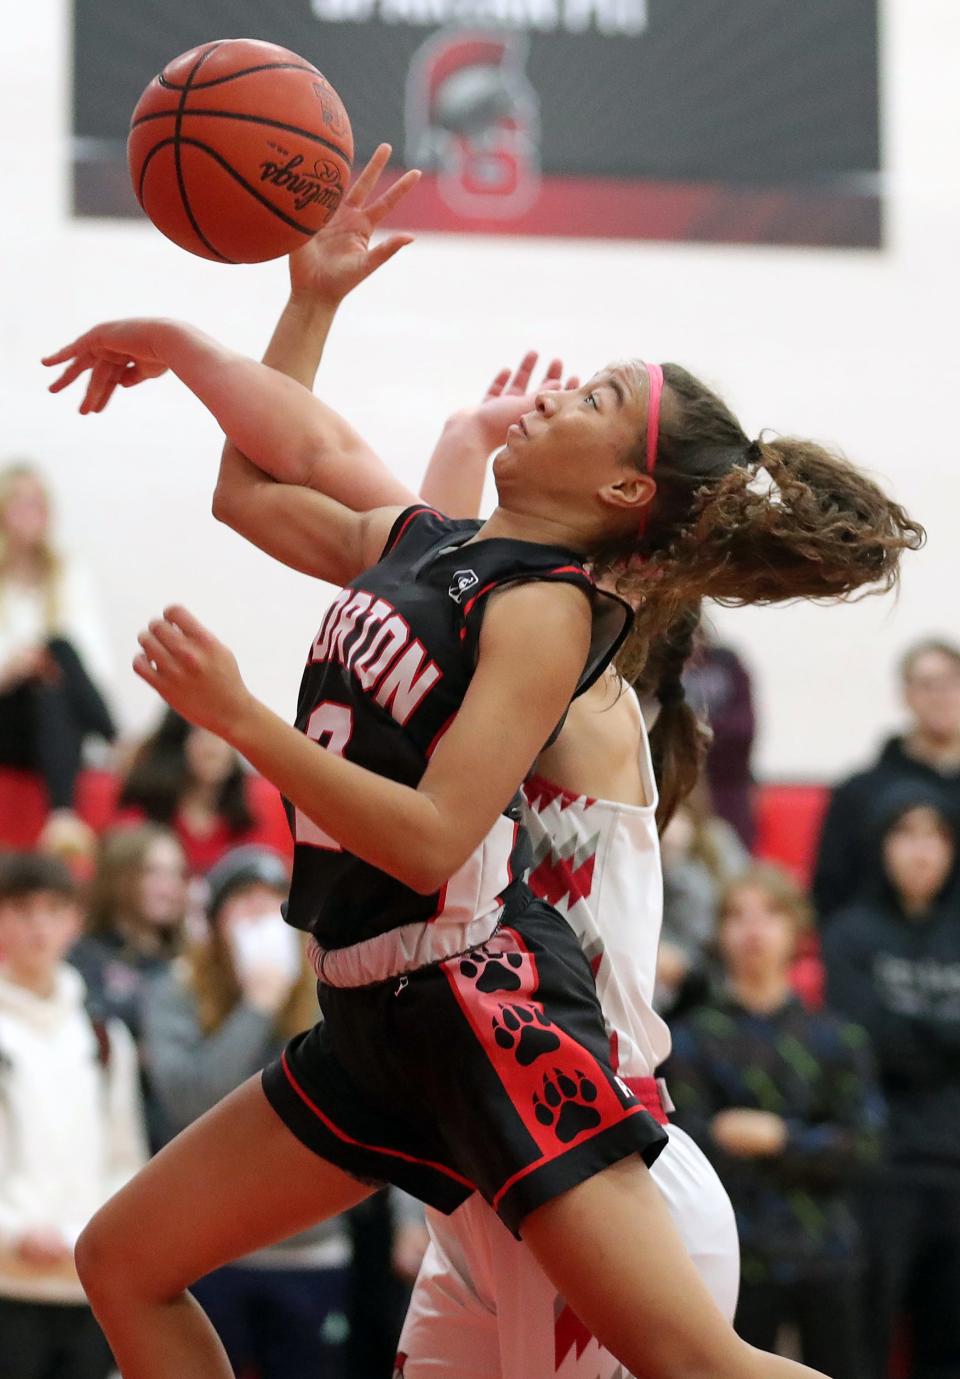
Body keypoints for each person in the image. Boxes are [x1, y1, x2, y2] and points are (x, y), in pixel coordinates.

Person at [43, 146, 922, 1379]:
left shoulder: (566, 642)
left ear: (624, 490)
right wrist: (283, 310)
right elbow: (262, 474)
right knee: (124, 1259)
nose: (558, 390)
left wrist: (242, 720)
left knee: (701, 1361)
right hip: (410, 1059)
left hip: (560, 1097)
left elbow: (430, 831)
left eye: (598, 396)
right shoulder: (442, 554)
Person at [142, 844, 352, 1379]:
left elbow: (381, 1100)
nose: (261, 917)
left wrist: (405, 1219)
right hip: (207, 1250)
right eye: (244, 903)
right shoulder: (175, 991)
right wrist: (257, 1005)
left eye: (273, 904)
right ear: (213, 923)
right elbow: (189, 1102)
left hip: (314, 1248)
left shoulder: (336, 991)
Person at [666, 864, 884, 1378]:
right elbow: (688, 1149)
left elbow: (866, 1147)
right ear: (719, 934)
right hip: (733, 1253)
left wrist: (776, 1138)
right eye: (737, 916)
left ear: (797, 933)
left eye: (770, 914)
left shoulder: (838, 1037)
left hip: (826, 1252)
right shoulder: (691, 1037)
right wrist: (808, 1145)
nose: (753, 929)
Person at [822, 782, 960, 1379]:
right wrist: (941, 1037)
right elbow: (866, 1042)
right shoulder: (849, 934)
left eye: (935, 836)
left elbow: (896, 1038)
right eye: (906, 834)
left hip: (955, 1168)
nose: (921, 851)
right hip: (882, 1168)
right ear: (881, 845)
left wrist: (911, 1034)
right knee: (868, 1348)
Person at [0, 851, 147, 1379]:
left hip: (86, 1287)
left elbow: (126, 1156)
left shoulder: (105, 1034)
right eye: (20, 909)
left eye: (52, 909)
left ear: (75, 921)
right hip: (7, 1285)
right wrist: (13, 1232)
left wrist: (92, 1235)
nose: (38, 926)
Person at [0, 462, 116, 838]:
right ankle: (116, 739)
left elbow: (93, 661)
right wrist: (16, 666)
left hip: (53, 713)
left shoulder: (67, 573)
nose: (30, 513)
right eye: (20, 502)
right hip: (7, 715)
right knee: (53, 655)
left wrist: (43, 662)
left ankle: (62, 816)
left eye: (38, 503)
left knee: (57, 657)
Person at [813, 639, 960, 922]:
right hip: (875, 954)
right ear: (906, 694)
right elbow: (830, 893)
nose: (941, 696)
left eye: (953, 682)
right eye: (928, 684)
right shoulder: (859, 793)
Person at [69, 823, 188, 1148]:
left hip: (180, 1126)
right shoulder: (83, 958)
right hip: (107, 1122)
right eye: (155, 873)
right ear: (119, 878)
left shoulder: (191, 961)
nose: (170, 888)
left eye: (178, 874)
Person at [117, 708, 291, 874]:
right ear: (178, 741)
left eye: (221, 731)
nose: (212, 744)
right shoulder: (140, 813)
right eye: (199, 731)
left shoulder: (256, 807)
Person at [683, 635, 757, 849]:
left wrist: (690, 731)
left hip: (727, 789)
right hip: (677, 785)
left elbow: (743, 731)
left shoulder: (726, 662)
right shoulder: (657, 660)